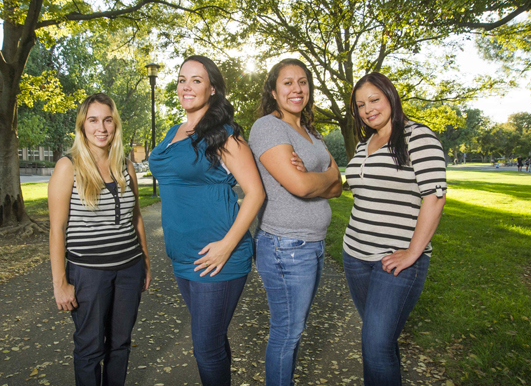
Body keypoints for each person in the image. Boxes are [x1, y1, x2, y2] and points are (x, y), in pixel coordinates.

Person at [148, 55, 265, 386]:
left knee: (205, 348)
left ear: (212, 88)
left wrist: (226, 246)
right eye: (182, 79)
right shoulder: (174, 130)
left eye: (196, 80)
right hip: (183, 257)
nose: (187, 86)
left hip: (218, 258)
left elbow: (255, 193)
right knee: (212, 342)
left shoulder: (223, 134)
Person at [342, 72, 446, 386]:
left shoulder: (418, 136)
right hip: (354, 256)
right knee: (380, 342)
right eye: (360, 105)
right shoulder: (365, 144)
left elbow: (435, 196)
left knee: (374, 343)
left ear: (390, 96)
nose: (367, 109)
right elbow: (362, 191)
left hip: (395, 260)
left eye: (374, 99)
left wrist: (413, 252)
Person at [248, 58, 343, 386]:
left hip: (312, 244)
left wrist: (322, 177)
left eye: (302, 82)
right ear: (273, 91)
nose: (296, 89)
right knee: (287, 334)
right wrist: (323, 178)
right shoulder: (268, 127)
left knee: (293, 330)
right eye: (287, 83)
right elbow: (301, 186)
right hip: (286, 245)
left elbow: (338, 185)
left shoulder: (310, 131)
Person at [48, 93, 151, 386]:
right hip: (87, 275)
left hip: (129, 270)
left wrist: (145, 261)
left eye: (107, 120)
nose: (101, 128)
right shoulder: (68, 167)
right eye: (93, 120)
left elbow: (137, 217)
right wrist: (60, 283)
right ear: (83, 126)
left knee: (120, 344)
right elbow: (57, 228)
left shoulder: (125, 165)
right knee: (90, 347)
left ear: (115, 124)